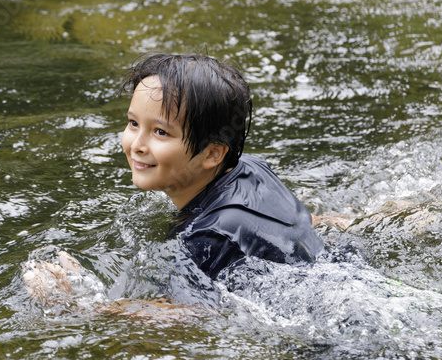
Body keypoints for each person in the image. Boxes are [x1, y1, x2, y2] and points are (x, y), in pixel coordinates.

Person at [22, 52, 325, 316]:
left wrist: (79, 306)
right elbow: (301, 225)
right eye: (133, 123)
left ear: (212, 154)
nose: (137, 145)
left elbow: (190, 315)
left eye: (161, 132)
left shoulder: (204, 238)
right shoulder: (252, 168)